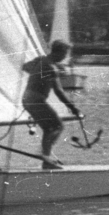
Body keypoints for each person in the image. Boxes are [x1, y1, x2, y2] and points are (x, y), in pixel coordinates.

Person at [21, 40, 80, 169]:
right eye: (65, 54)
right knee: (58, 126)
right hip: (36, 100)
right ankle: (44, 155)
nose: (65, 57)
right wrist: (73, 108)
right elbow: (59, 91)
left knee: (49, 128)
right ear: (59, 52)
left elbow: (25, 66)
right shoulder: (51, 67)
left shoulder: (41, 60)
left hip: (26, 99)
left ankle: (46, 159)